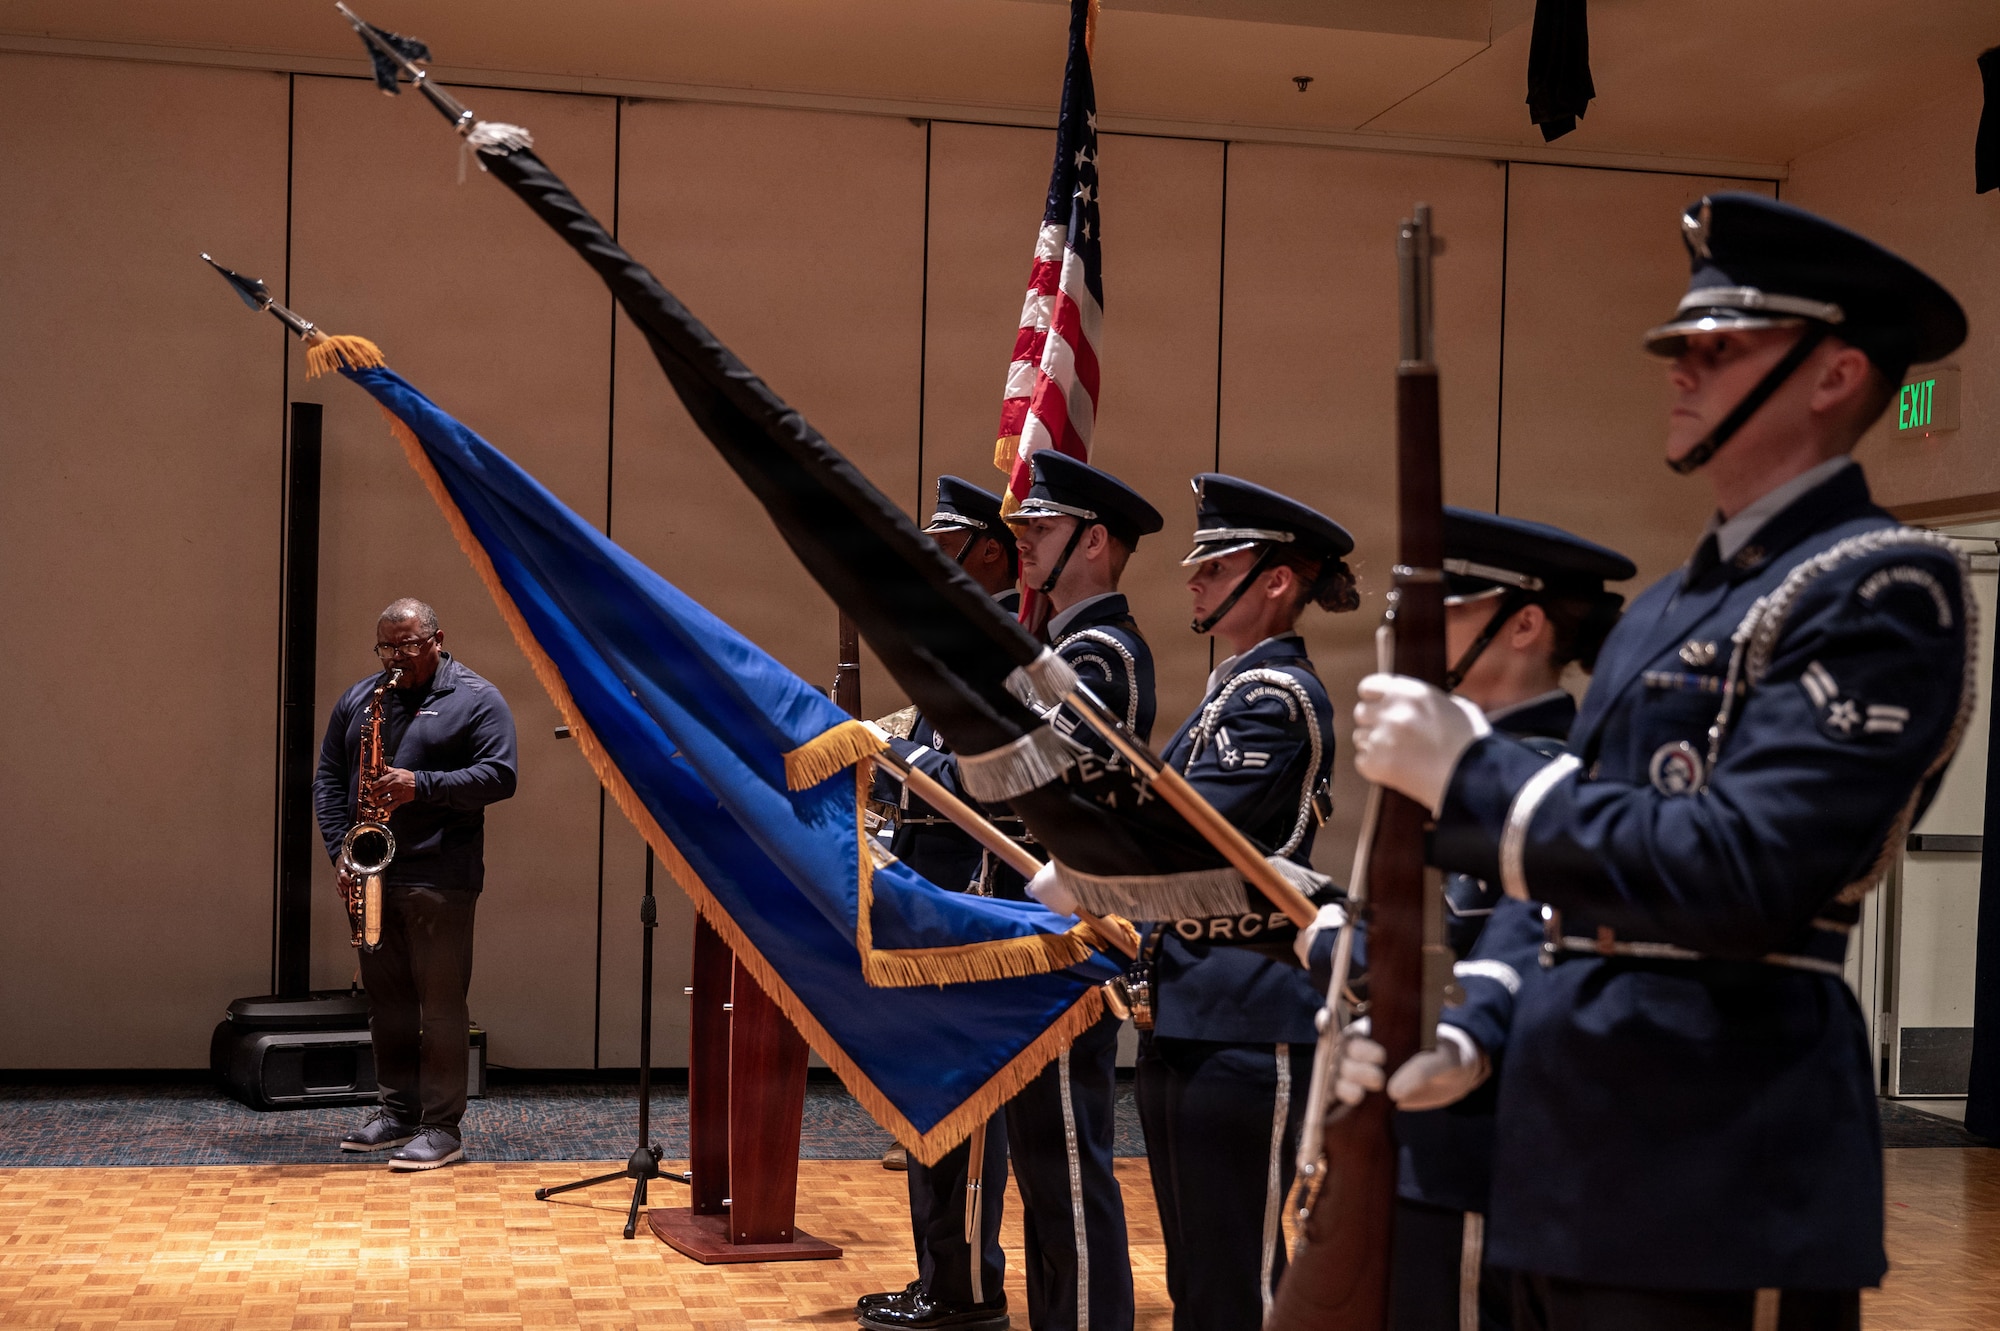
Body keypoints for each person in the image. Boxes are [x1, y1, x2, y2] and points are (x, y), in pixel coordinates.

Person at [1349, 194, 1974, 1329]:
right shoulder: (1669, 605)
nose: (1678, 370)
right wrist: (1471, 1023)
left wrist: (1475, 772)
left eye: (1717, 349)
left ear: (1833, 375)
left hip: (1717, 1138)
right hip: (1563, 1135)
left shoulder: (1881, 585)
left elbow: (1741, 866)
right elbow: (1564, 869)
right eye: (1678, 347)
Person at [1322, 510, 1633, 1331]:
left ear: (1524, 622)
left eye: (1446, 604)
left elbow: (1490, 943)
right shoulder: (1439, 770)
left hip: (1484, 1140)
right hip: (1409, 1127)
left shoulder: (1550, 777)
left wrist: (1345, 947)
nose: (1410, 627)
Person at [1130, 474, 1357, 1329]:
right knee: (1198, 1275)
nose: (1191, 577)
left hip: (1247, 1015)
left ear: (1276, 580)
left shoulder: (1275, 697)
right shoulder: (1232, 689)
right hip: (1188, 1007)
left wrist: (1095, 850)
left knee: (1241, 1278)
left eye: (1215, 563)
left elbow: (1185, 842)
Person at [858, 478, 1024, 1331]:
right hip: (932, 907)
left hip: (970, 911)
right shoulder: (960, 646)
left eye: (944, 540)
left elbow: (997, 775)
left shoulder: (1000, 649)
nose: (927, 555)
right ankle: (940, 1277)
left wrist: (897, 757)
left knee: (963, 1118)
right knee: (936, 1114)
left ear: (989, 550)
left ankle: (964, 1289)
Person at [314, 598, 518, 1171]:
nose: (396, 658)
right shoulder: (362, 698)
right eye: (386, 647)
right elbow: (329, 778)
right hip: (374, 874)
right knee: (389, 1004)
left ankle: (442, 1127)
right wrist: (341, 851)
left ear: (436, 638)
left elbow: (501, 775)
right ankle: (397, 1112)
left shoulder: (477, 697)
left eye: (407, 645)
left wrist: (420, 784)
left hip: (440, 875)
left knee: (440, 1005)